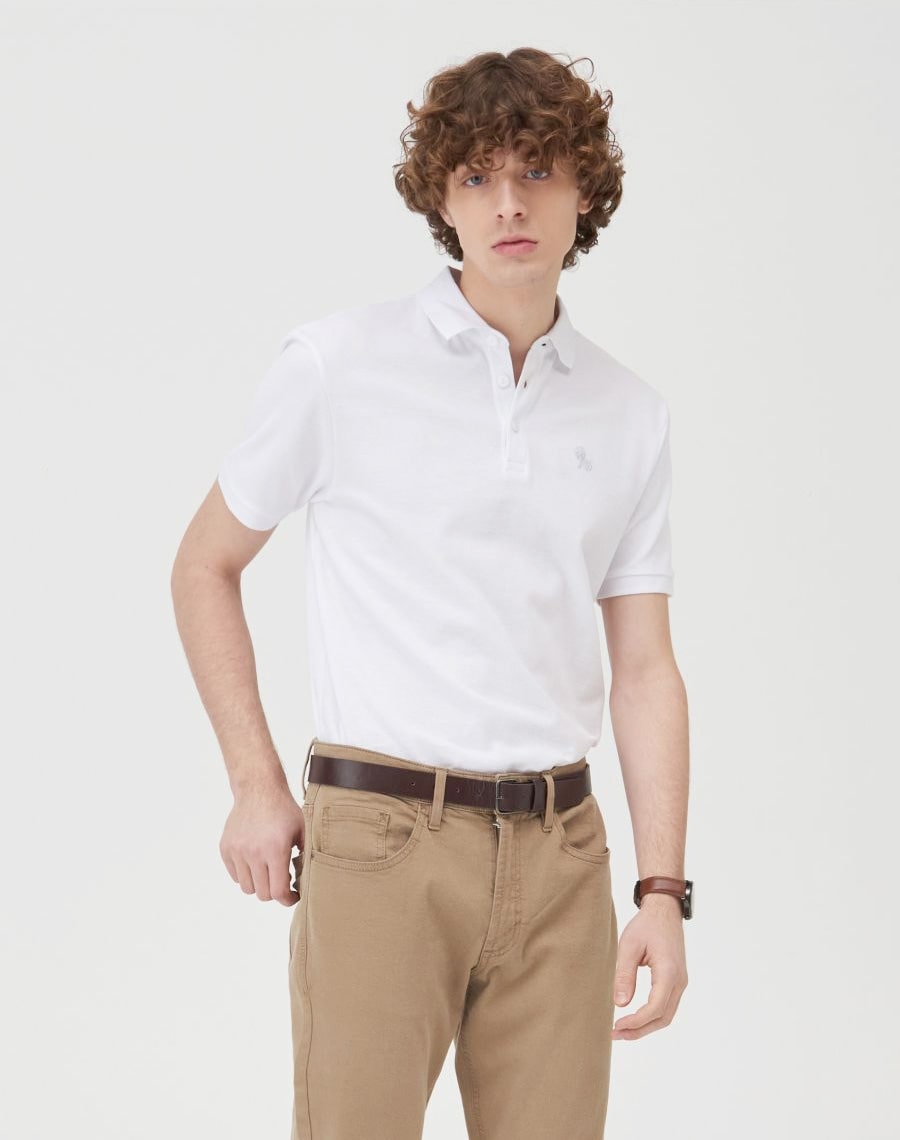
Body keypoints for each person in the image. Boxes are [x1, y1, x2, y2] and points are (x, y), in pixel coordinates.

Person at [171, 46, 691, 1140]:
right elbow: (204, 564)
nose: (509, 203)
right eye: (477, 175)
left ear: (585, 190)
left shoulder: (629, 413)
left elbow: (645, 668)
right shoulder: (338, 364)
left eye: (538, 170)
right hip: (383, 841)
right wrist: (256, 784)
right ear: (441, 199)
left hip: (563, 855)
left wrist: (662, 891)